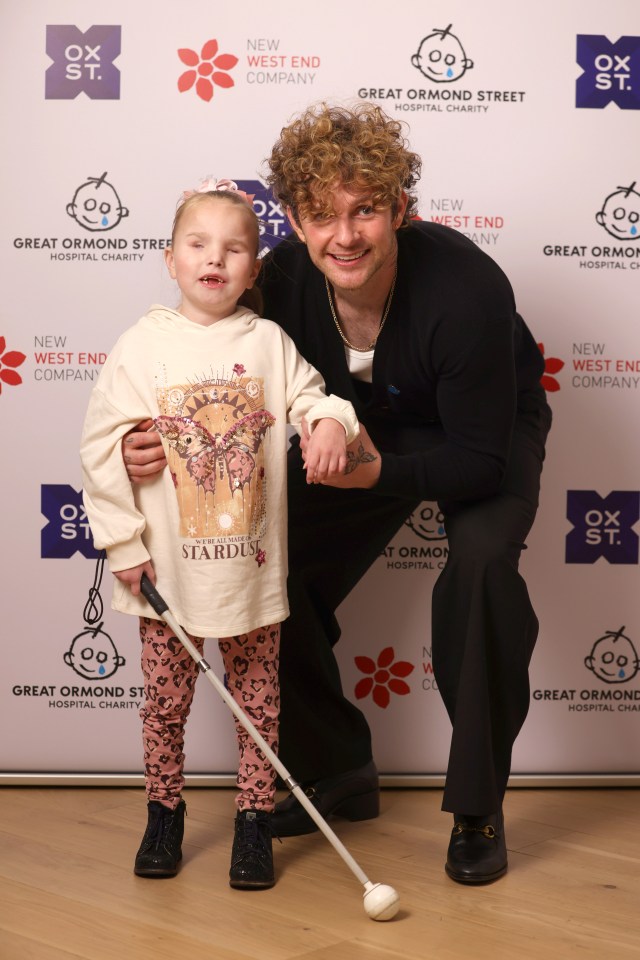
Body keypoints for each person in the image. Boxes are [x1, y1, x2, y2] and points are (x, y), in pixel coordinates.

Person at [122, 103, 552, 885]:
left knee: (484, 566)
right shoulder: (279, 278)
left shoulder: (467, 287)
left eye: (365, 211)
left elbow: (481, 462)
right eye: (322, 215)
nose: (344, 236)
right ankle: (337, 768)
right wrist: (137, 436)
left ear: (401, 210)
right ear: (293, 219)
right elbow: (200, 365)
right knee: (270, 563)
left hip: (479, 434)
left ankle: (477, 807)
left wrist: (378, 474)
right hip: (353, 435)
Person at [80, 180, 359, 889]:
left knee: (260, 709)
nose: (216, 259)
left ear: (254, 269)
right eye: (198, 245)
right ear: (170, 259)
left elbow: (313, 395)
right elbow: (102, 446)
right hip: (168, 574)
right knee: (165, 705)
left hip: (250, 572)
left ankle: (254, 824)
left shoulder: (267, 342)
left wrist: (329, 421)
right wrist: (124, 545)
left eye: (235, 248)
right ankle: (163, 815)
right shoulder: (142, 346)